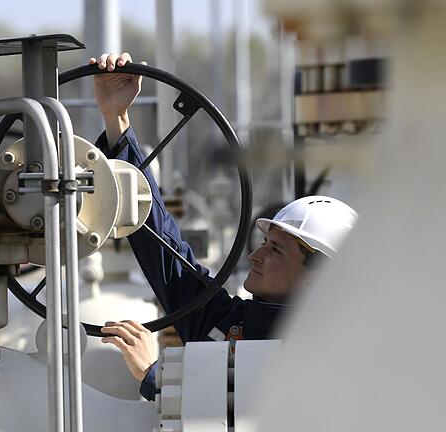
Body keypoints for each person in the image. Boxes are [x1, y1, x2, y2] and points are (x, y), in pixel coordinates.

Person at [91, 53, 359, 400]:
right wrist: (117, 119)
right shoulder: (229, 324)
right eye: (266, 241)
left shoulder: (324, 361)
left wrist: (155, 375)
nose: (256, 254)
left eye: (276, 248)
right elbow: (162, 244)